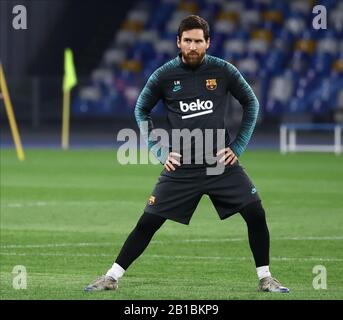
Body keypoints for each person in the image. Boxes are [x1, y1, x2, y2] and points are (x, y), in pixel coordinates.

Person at [85, 15, 289, 293]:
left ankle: (266, 278)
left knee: (256, 213)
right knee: (148, 222)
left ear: (208, 43)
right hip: (181, 168)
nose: (193, 46)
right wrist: (159, 151)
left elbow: (251, 103)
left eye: (198, 41)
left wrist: (238, 147)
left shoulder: (224, 71)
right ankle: (111, 277)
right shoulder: (164, 75)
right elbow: (141, 109)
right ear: (178, 42)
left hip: (220, 165)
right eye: (188, 41)